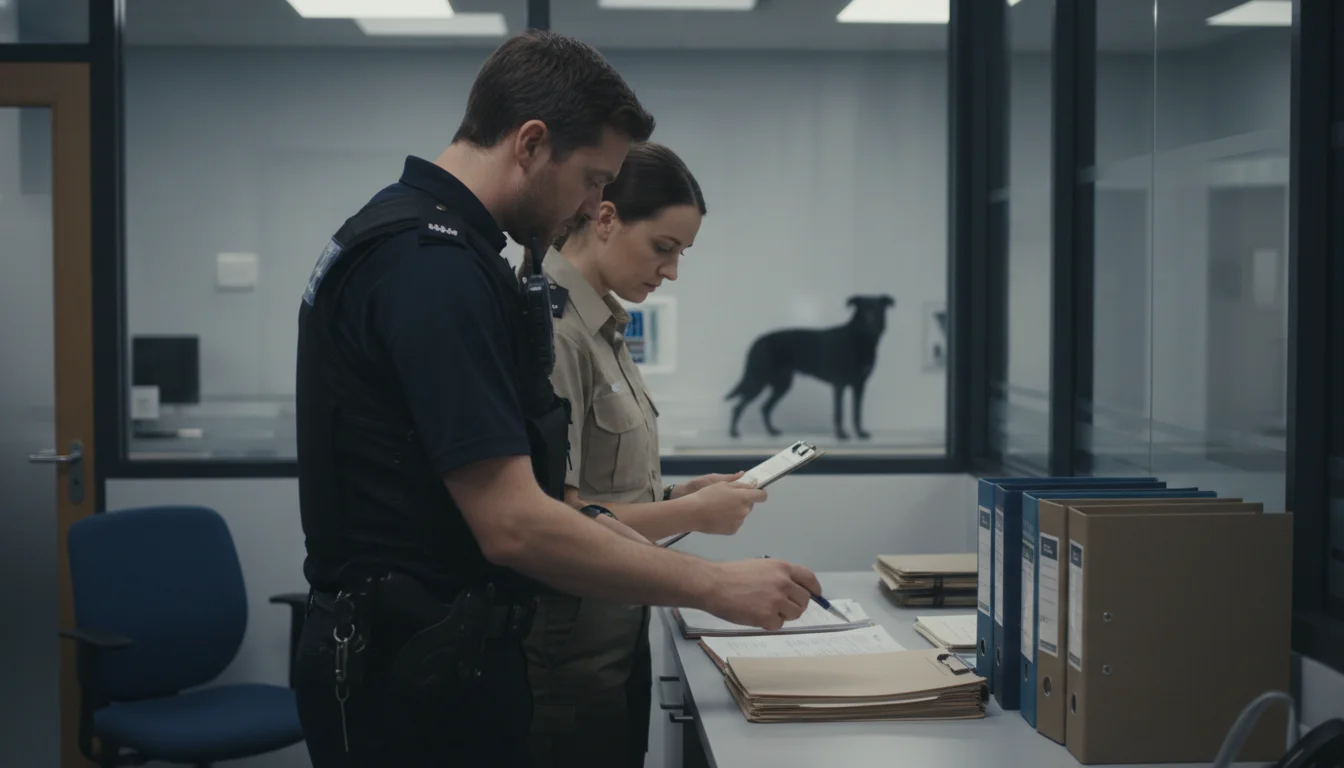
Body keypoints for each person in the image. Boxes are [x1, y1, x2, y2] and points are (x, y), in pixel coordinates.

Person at [291, 29, 823, 768]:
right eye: (594, 178)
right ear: (532, 143)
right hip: (414, 676)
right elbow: (514, 523)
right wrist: (713, 585)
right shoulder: (428, 268)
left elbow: (540, 493)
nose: (596, 203)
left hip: (440, 657)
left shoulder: (437, 248)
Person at [525, 142, 756, 768]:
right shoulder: (555, 331)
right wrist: (695, 516)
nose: (672, 270)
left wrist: (677, 499)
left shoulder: (603, 326)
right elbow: (555, 520)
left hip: (614, 630)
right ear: (604, 219)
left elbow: (603, 492)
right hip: (566, 653)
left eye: (681, 253)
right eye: (663, 248)